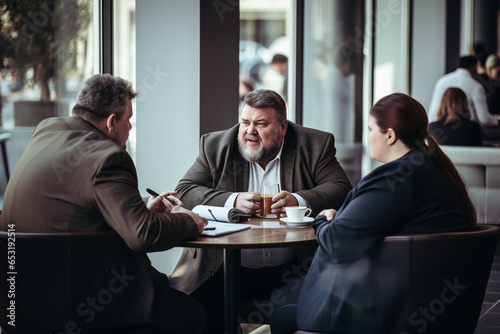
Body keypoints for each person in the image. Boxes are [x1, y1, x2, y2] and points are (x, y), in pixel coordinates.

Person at [0, 74, 207, 333]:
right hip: (84, 306)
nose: (130, 128)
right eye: (129, 120)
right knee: (192, 314)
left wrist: (142, 206)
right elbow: (142, 235)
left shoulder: (46, 132)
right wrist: (189, 221)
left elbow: (76, 205)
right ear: (111, 122)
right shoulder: (108, 158)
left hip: (19, 304)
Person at [269, 92, 477, 334]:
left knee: (281, 306)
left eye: (370, 129)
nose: (367, 137)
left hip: (386, 302)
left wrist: (321, 220)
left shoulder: (396, 179)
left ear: (389, 135)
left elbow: (337, 243)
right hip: (423, 296)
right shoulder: (429, 168)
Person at [169, 88, 352, 333]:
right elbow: (184, 190)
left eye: (261, 123)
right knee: (200, 315)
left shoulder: (315, 145)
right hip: (224, 268)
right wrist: (231, 200)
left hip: (294, 268)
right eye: (245, 122)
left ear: (283, 127)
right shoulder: (215, 145)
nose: (249, 131)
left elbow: (340, 188)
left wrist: (298, 200)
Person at [428, 55, 499, 127]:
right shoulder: (475, 86)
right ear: (474, 67)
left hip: (434, 129)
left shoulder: (441, 81)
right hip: (462, 131)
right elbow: (484, 119)